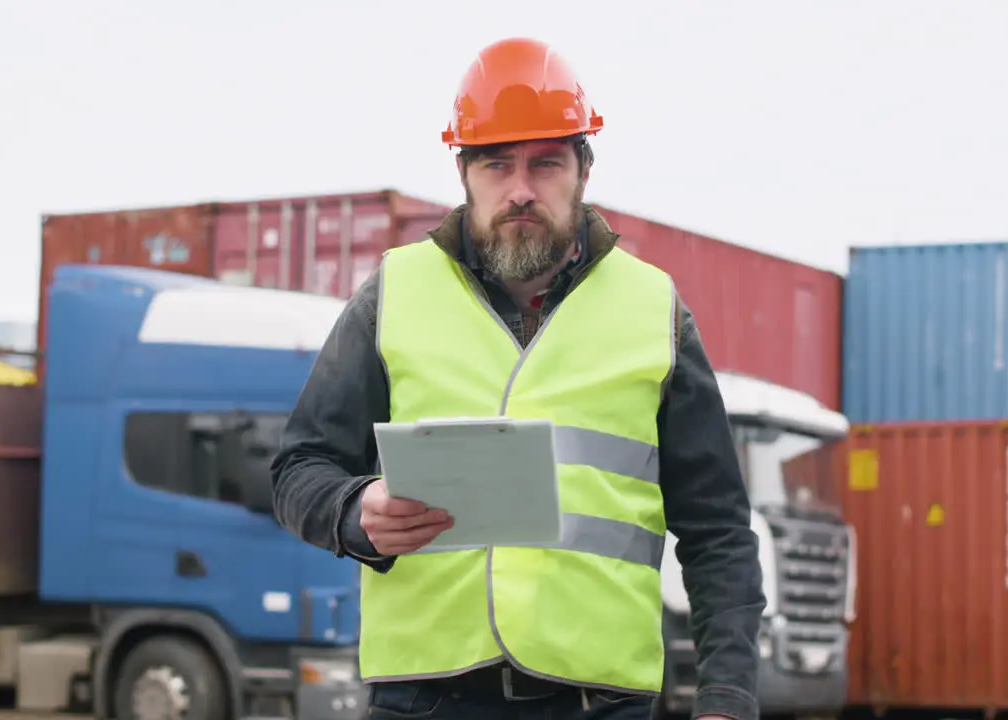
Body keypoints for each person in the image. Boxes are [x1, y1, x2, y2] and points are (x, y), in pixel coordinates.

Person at [270, 37, 765, 720]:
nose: (521, 189)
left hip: (600, 700)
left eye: (546, 163)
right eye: (498, 164)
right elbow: (298, 468)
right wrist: (353, 514)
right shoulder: (393, 294)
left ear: (583, 169)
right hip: (427, 698)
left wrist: (728, 697)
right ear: (465, 172)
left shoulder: (654, 310)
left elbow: (718, 531)